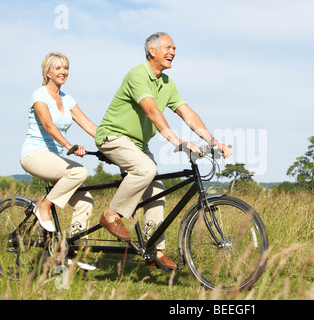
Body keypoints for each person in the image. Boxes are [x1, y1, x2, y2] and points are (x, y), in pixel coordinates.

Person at [95, 32, 232, 270]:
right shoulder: (138, 74)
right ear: (152, 51)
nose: (173, 52)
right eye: (168, 47)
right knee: (146, 169)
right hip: (113, 137)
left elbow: (186, 113)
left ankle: (153, 251)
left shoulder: (167, 84)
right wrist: (177, 142)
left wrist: (212, 141)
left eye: (175, 48)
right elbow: (151, 111)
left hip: (139, 145)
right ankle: (111, 214)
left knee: (157, 189)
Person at [20, 52, 98, 270]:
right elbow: (48, 126)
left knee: (85, 201)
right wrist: (69, 146)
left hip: (55, 158)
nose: (63, 71)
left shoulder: (68, 99)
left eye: (66, 68)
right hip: (34, 154)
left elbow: (90, 126)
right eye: (58, 68)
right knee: (79, 172)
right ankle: (43, 207)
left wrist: (112, 143)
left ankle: (70, 252)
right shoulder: (39, 95)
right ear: (47, 72)